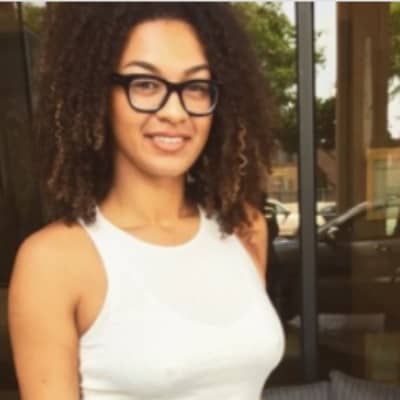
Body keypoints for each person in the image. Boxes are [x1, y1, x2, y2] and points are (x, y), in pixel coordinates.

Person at [8, 3, 285, 400]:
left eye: (196, 87)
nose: (175, 112)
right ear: (98, 95)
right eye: (145, 84)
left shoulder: (243, 227)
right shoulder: (55, 260)